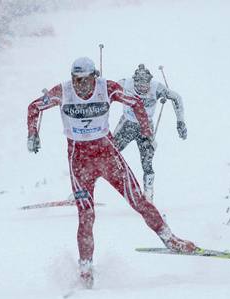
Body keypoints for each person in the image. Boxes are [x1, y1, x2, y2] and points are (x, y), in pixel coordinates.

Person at [27, 57, 196, 289]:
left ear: (94, 76)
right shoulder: (63, 91)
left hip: (108, 157)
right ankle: (85, 270)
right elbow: (34, 107)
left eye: (85, 80)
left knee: (138, 200)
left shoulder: (106, 87)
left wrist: (146, 132)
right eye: (76, 80)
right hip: (80, 163)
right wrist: (33, 134)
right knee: (86, 216)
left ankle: (170, 239)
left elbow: (136, 103)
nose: (81, 85)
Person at [113, 64, 187, 202]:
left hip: (145, 128)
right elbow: (106, 89)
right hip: (126, 125)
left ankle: (148, 195)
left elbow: (176, 97)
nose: (141, 88)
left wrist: (180, 121)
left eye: (144, 85)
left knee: (147, 162)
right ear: (134, 81)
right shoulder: (125, 84)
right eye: (138, 85)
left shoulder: (156, 87)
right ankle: (85, 190)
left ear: (149, 82)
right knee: (107, 155)